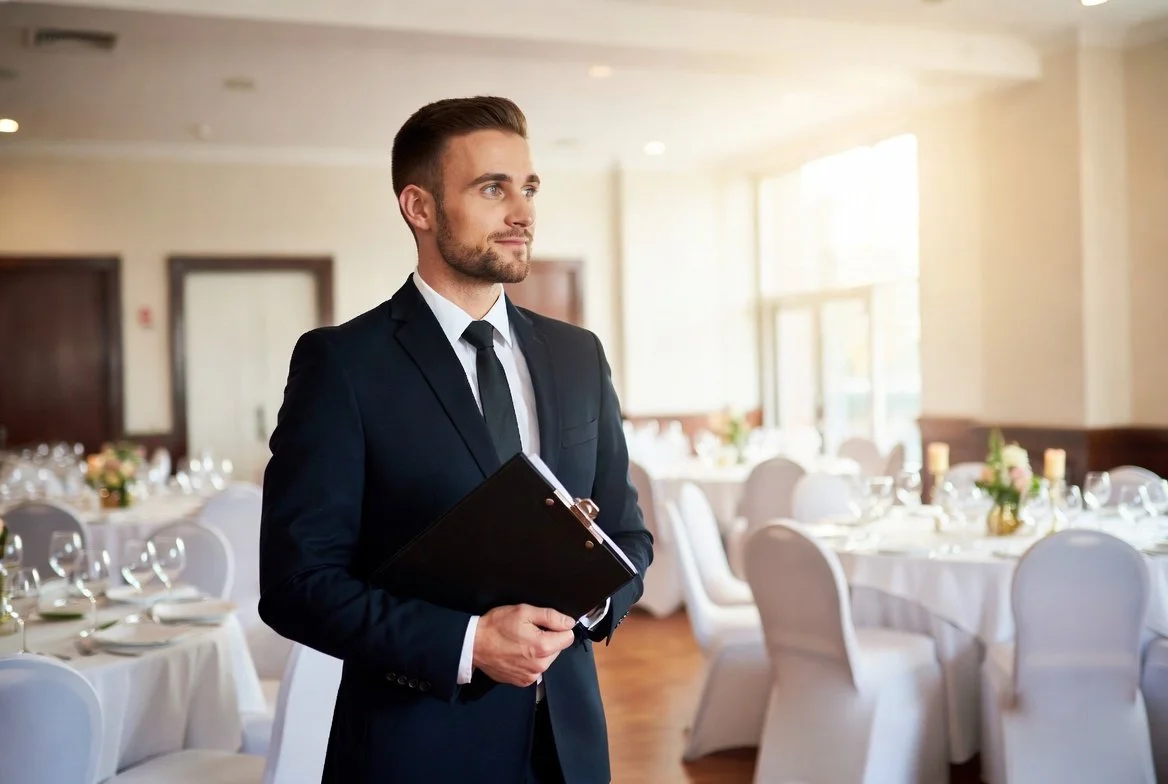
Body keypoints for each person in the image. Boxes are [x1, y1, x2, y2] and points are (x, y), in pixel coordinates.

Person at [258, 96, 654, 784]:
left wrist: (586, 598)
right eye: (493, 188)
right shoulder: (343, 365)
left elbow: (628, 537)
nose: (523, 211)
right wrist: (470, 642)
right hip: (415, 748)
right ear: (420, 207)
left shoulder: (577, 355)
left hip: (569, 744)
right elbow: (297, 584)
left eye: (529, 187)